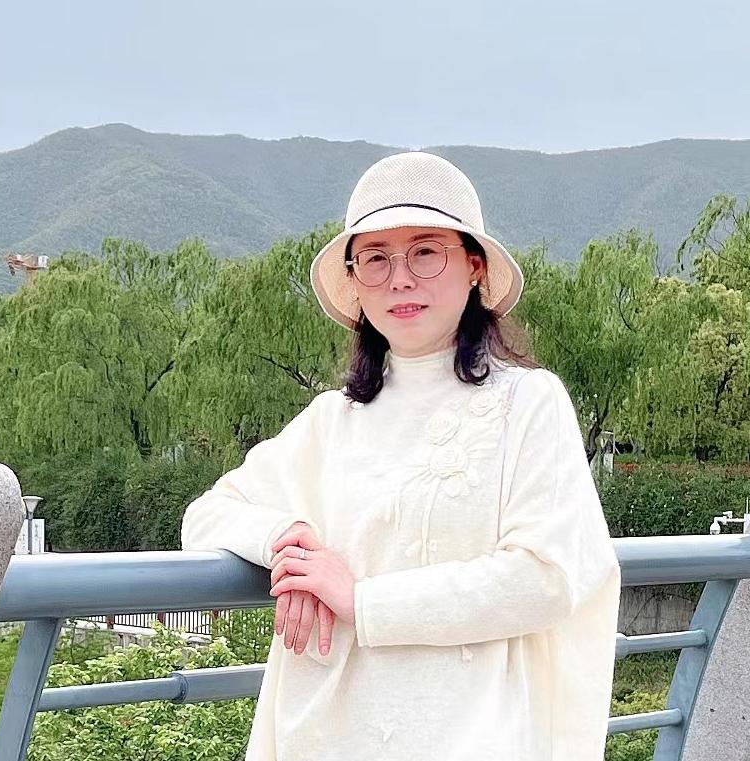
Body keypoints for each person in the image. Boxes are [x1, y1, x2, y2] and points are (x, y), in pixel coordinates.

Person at [180, 151, 622, 760]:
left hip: (471, 736)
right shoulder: (331, 420)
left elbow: (543, 579)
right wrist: (290, 544)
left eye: (425, 252)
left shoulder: (527, 403)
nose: (400, 279)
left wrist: (360, 601)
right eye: (376, 258)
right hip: (328, 734)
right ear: (355, 280)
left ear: (473, 266)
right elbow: (206, 516)